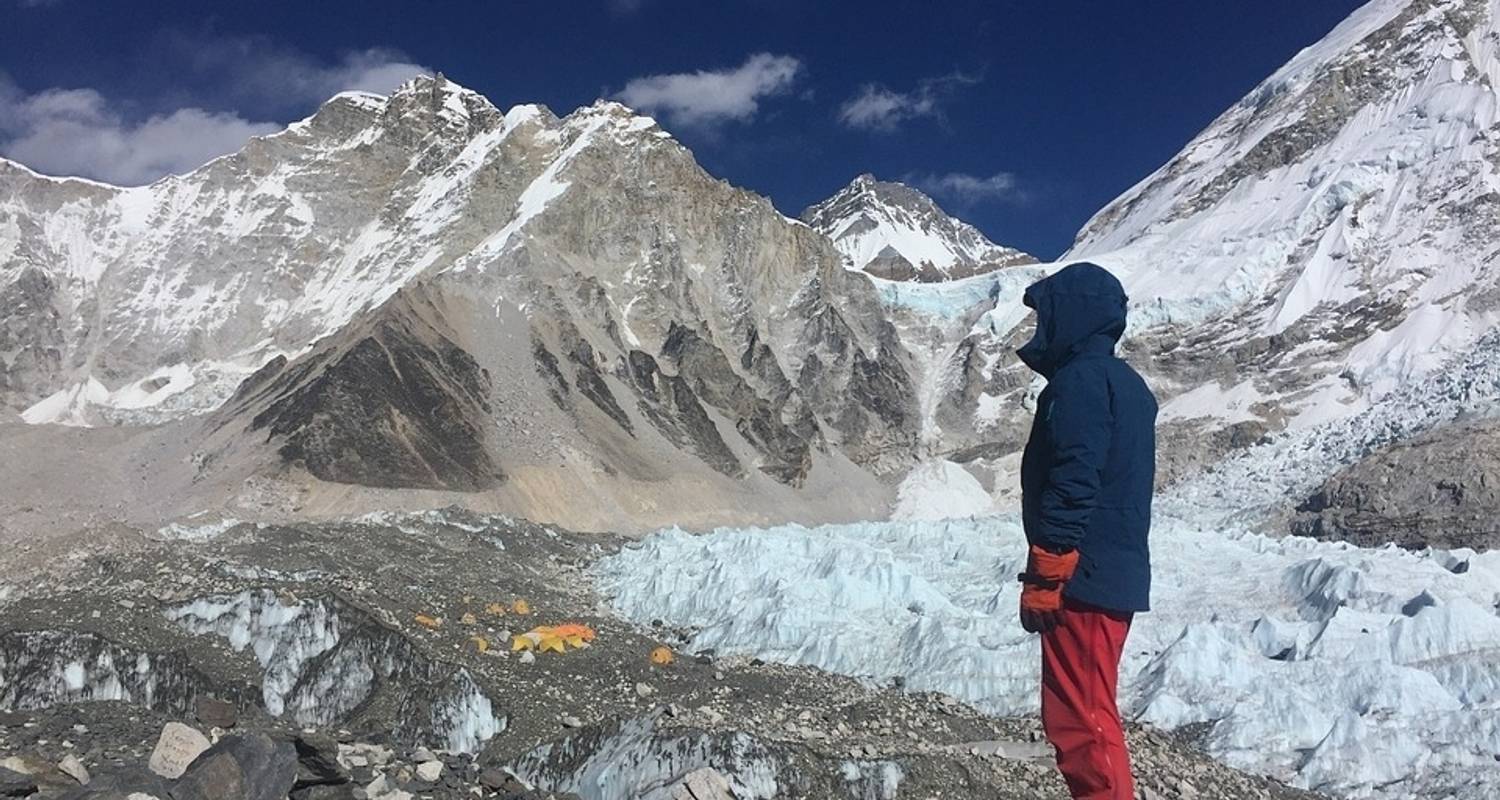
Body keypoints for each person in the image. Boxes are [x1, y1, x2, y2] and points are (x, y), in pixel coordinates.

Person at [1014, 262, 1157, 800]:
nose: (1039, 327)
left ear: (1070, 316)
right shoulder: (1126, 385)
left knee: (1084, 721)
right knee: (1083, 712)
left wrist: (1049, 566)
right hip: (1106, 572)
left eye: (1046, 314)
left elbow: (1077, 475)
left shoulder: (1080, 383)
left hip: (1084, 576)